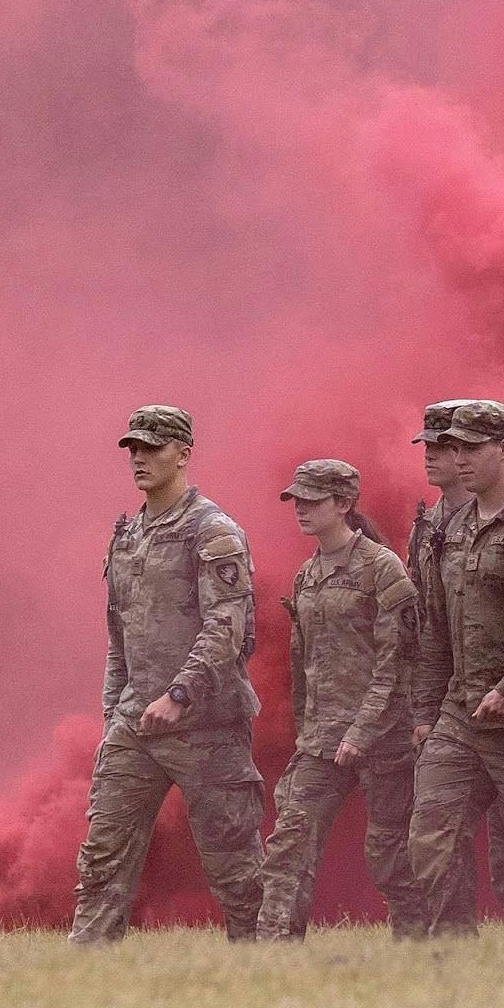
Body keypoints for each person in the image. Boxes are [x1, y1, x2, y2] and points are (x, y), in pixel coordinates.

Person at [71, 403, 267, 944]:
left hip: (207, 726)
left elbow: (226, 628)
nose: (139, 458)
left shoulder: (213, 532)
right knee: (101, 863)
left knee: (237, 869)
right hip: (136, 725)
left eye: (152, 448)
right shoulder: (127, 535)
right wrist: (115, 712)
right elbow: (121, 635)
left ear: (183, 454)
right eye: (132, 448)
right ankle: (82, 982)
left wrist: (180, 694)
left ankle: (268, 976)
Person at [400, 397, 504, 937]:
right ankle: (453, 961)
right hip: (460, 715)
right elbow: (435, 630)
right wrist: (425, 710)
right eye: (454, 446)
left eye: (472, 447)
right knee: (431, 834)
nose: (459, 457)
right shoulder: (451, 529)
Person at [255, 458, 416, 939]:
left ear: (343, 504)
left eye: (312, 500)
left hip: (382, 737)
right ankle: (274, 957)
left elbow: (397, 661)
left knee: (389, 854)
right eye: (296, 500)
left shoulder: (382, 568)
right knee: (289, 844)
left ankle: (424, 951)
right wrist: (308, 731)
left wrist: (362, 731)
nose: (300, 508)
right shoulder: (307, 575)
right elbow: (301, 663)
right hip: (322, 741)